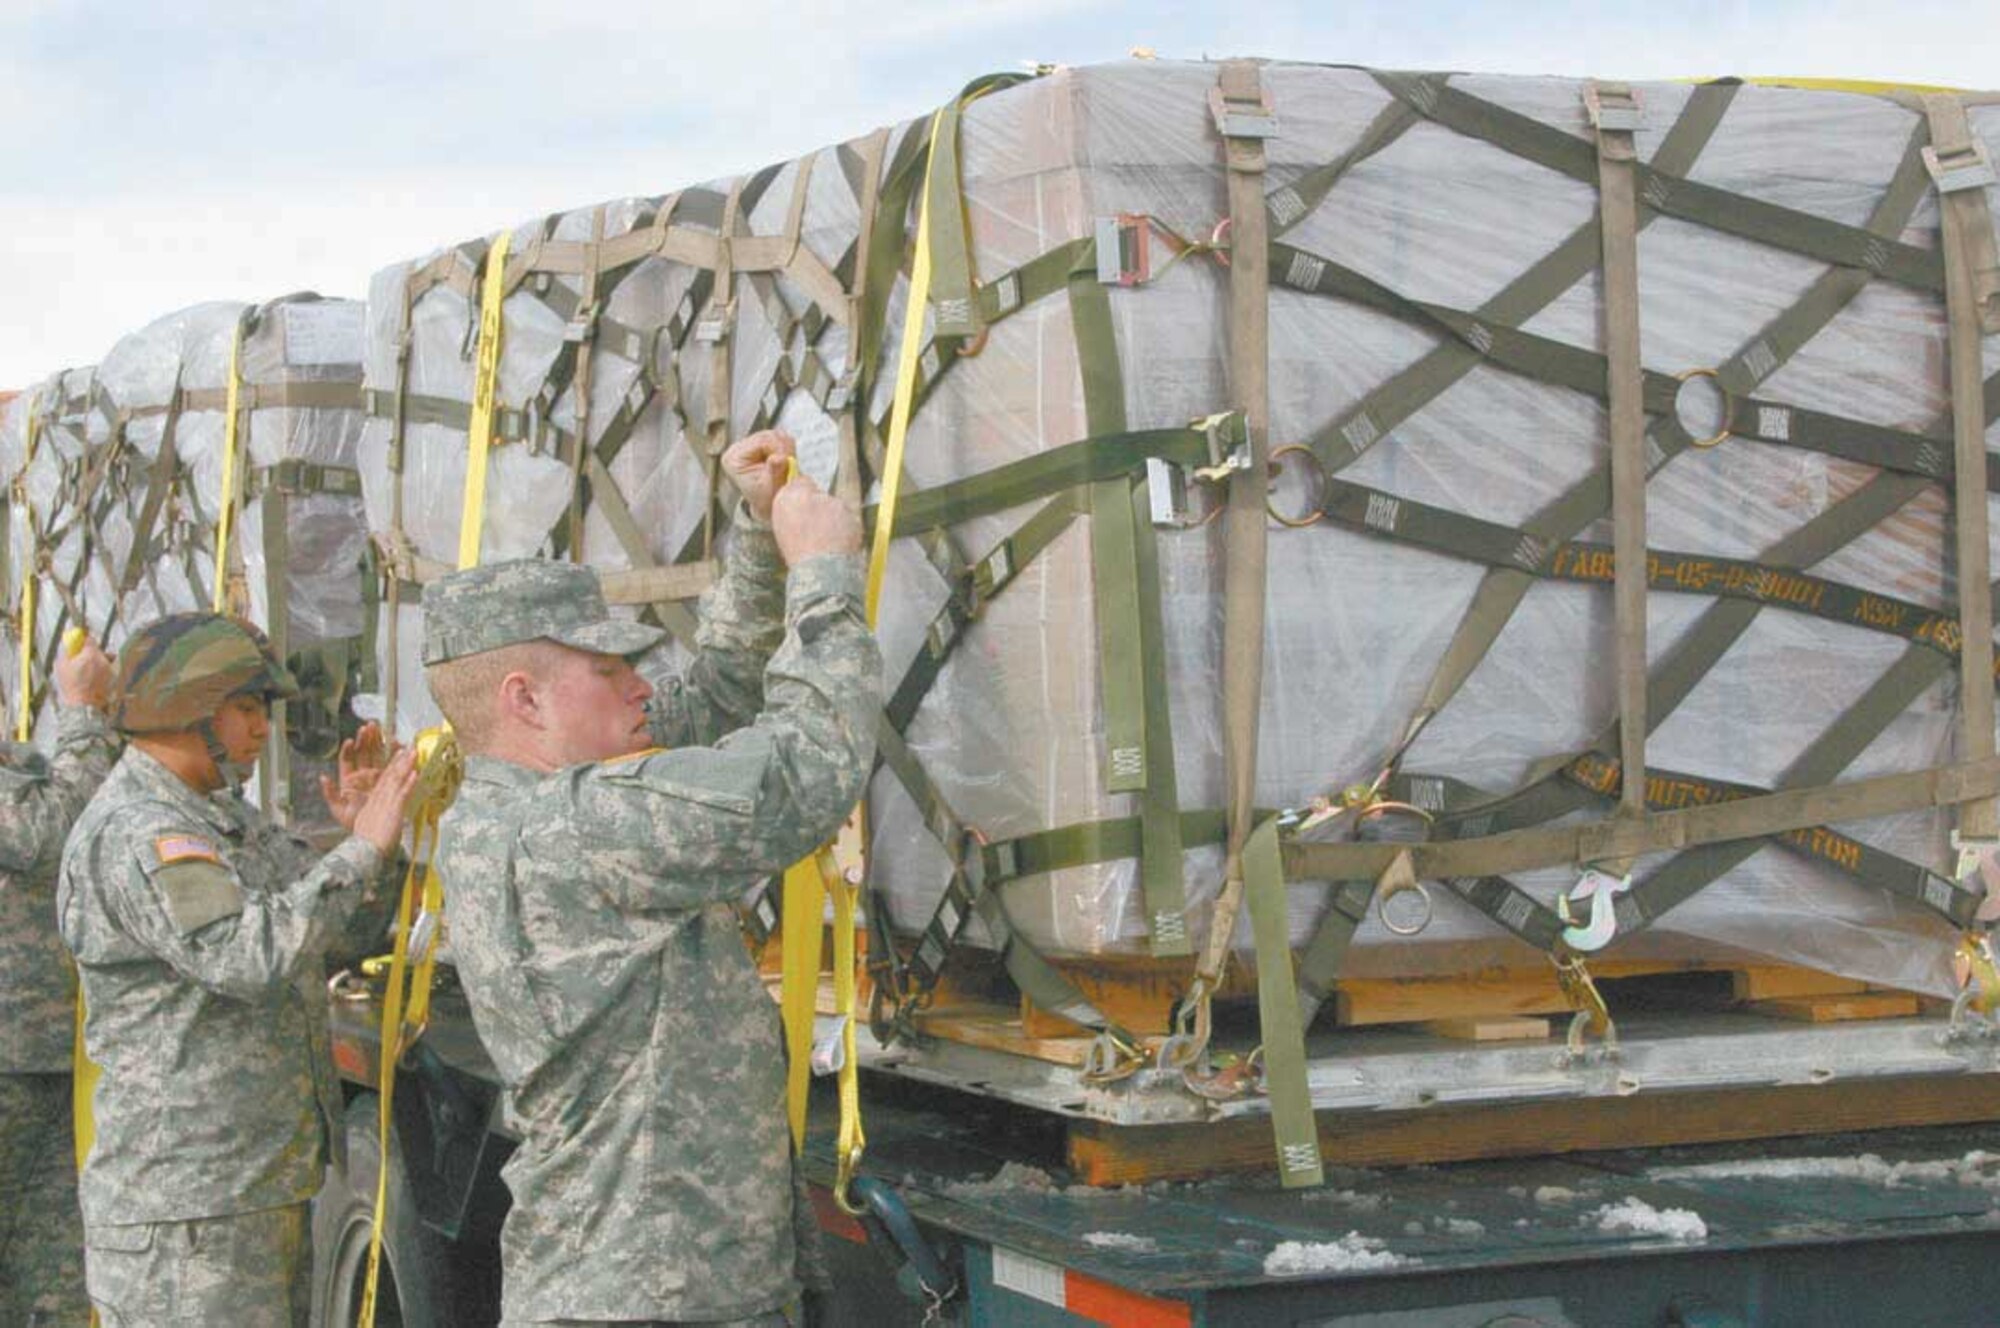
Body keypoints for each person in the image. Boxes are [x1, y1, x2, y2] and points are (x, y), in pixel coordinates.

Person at [422, 428, 880, 1326]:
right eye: (609, 670)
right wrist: (823, 575)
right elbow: (804, 773)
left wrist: (757, 537)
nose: (640, 687)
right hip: (654, 1299)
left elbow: (704, 701)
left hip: (629, 1284)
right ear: (524, 697)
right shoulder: (579, 824)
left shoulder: (499, 814)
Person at [56, 612, 419, 1327]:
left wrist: (368, 842)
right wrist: (362, 852)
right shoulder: (141, 830)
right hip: (187, 1212)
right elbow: (248, 955)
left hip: (250, 1191)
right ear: (187, 707)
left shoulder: (219, 817)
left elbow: (332, 933)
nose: (261, 731)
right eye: (246, 708)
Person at [0, 634, 117, 1327]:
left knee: (54, 1282)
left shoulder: (19, 768)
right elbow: (54, 831)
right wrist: (80, 712)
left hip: (43, 1065)